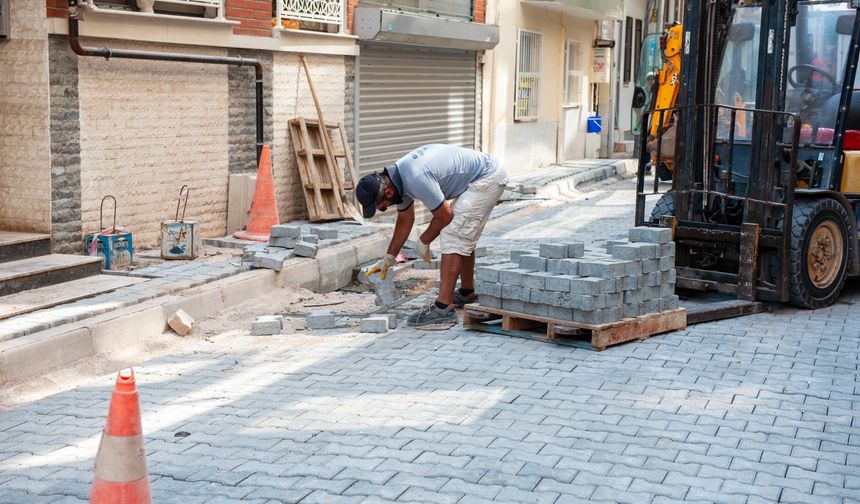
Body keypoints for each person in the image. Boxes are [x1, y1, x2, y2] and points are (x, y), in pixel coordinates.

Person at [356, 144, 508, 327]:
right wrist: (389, 257)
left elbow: (444, 215)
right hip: (480, 176)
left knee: (454, 234)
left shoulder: (415, 177)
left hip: (488, 177)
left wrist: (424, 240)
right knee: (463, 232)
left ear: (388, 192)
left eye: (382, 205)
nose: (383, 208)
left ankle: (443, 308)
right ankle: (467, 293)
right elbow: (405, 220)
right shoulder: (396, 180)